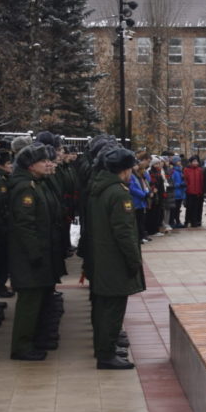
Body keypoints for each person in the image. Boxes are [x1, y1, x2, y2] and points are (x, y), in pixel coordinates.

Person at [88, 146, 145, 369]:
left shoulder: (100, 188)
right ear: (124, 170)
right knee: (113, 309)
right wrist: (134, 260)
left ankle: (104, 348)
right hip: (115, 260)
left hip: (102, 256)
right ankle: (107, 354)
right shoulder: (119, 193)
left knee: (104, 307)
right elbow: (124, 232)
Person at [6, 143, 60, 360]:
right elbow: (25, 225)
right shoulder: (25, 188)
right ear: (30, 165)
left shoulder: (35, 184)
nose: (48, 164)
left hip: (37, 253)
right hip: (28, 256)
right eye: (43, 161)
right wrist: (35, 253)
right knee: (29, 301)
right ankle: (22, 347)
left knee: (36, 299)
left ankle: (30, 341)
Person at [183, 156, 204, 227]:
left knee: (195, 208)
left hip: (197, 192)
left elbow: (201, 181)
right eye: (194, 161)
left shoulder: (200, 170)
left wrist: (201, 190)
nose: (195, 163)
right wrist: (187, 187)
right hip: (189, 192)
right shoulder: (186, 169)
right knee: (189, 207)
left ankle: (194, 221)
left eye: (196, 161)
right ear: (191, 162)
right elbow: (185, 180)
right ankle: (186, 221)